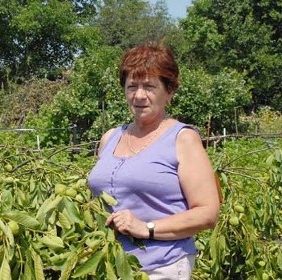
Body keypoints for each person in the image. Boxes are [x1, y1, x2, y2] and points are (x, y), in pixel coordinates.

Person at [86, 42, 220, 279]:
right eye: (132, 86)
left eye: (149, 86)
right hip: (109, 265)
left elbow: (207, 213)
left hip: (160, 267)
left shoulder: (182, 139)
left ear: (169, 92)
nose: (139, 95)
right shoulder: (110, 137)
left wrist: (146, 228)